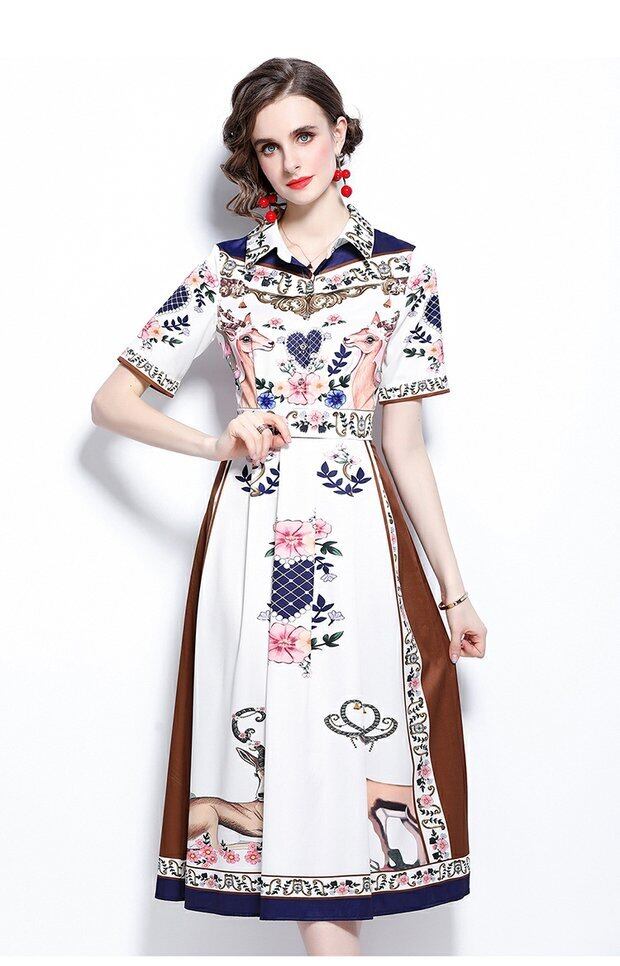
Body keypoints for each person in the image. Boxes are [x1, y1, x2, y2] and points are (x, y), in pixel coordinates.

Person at [91, 56, 487, 958]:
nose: (289, 160)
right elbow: (111, 404)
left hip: (361, 544)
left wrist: (455, 591)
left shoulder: (404, 273)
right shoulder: (223, 275)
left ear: (341, 133)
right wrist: (215, 442)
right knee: (276, 770)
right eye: (268, 147)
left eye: (305, 135)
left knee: (349, 774)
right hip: (253, 539)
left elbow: (406, 447)